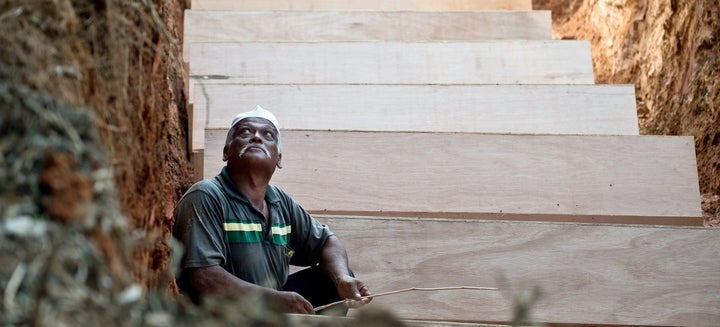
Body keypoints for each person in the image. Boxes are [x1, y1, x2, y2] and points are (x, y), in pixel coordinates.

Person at [173, 105, 371, 315]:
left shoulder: (279, 201)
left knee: (330, 281)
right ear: (226, 151)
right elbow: (203, 276)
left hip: (268, 311)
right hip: (223, 317)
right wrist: (272, 300)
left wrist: (342, 278)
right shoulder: (207, 195)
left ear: (279, 159)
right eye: (245, 132)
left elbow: (327, 242)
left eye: (267, 135)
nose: (257, 137)